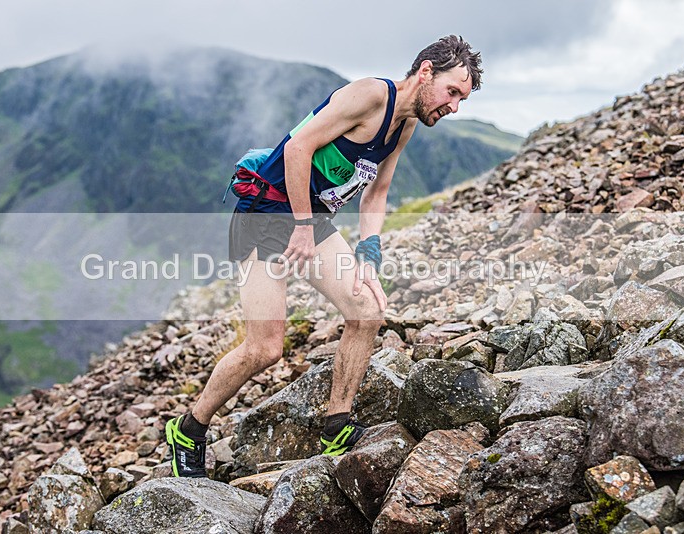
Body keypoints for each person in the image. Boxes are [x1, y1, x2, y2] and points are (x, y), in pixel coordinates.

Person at [165, 35, 483, 477]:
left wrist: (369, 253)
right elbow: (298, 147)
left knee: (367, 311)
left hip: (309, 219)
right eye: (452, 93)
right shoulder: (371, 95)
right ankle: (190, 429)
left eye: (462, 100)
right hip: (267, 212)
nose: (453, 107)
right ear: (426, 72)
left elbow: (377, 193)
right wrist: (299, 225)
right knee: (265, 349)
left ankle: (337, 422)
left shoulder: (406, 122)